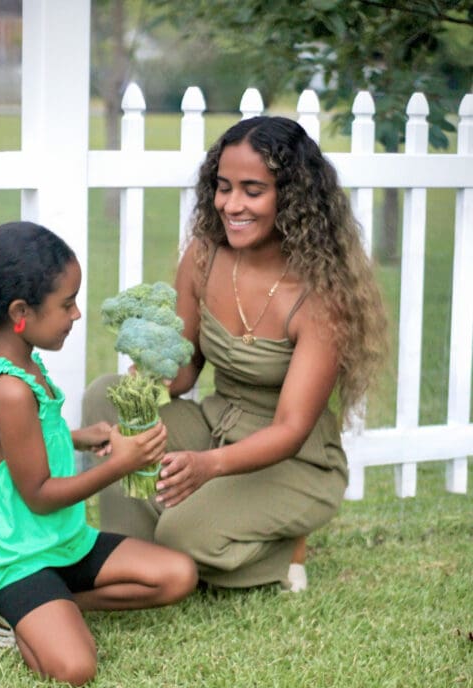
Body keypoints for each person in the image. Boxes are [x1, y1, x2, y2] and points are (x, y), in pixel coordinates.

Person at [83, 116, 387, 592]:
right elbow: (185, 371)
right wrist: (154, 374)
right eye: (223, 187)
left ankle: (285, 550)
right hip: (214, 426)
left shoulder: (321, 298)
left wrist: (208, 468)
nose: (231, 204)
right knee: (111, 396)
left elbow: (289, 430)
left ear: (292, 197)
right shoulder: (204, 256)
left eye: (252, 190)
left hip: (292, 461)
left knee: (183, 534)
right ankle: (134, 553)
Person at [0, 221, 197, 687]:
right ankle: (10, 609)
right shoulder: (8, 389)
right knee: (76, 668)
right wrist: (121, 463)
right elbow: (38, 494)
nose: (76, 315)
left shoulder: (24, 361)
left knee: (178, 575)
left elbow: (27, 440)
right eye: (66, 304)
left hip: (61, 541)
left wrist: (78, 437)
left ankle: (55, 605)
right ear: (20, 312)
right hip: (16, 556)